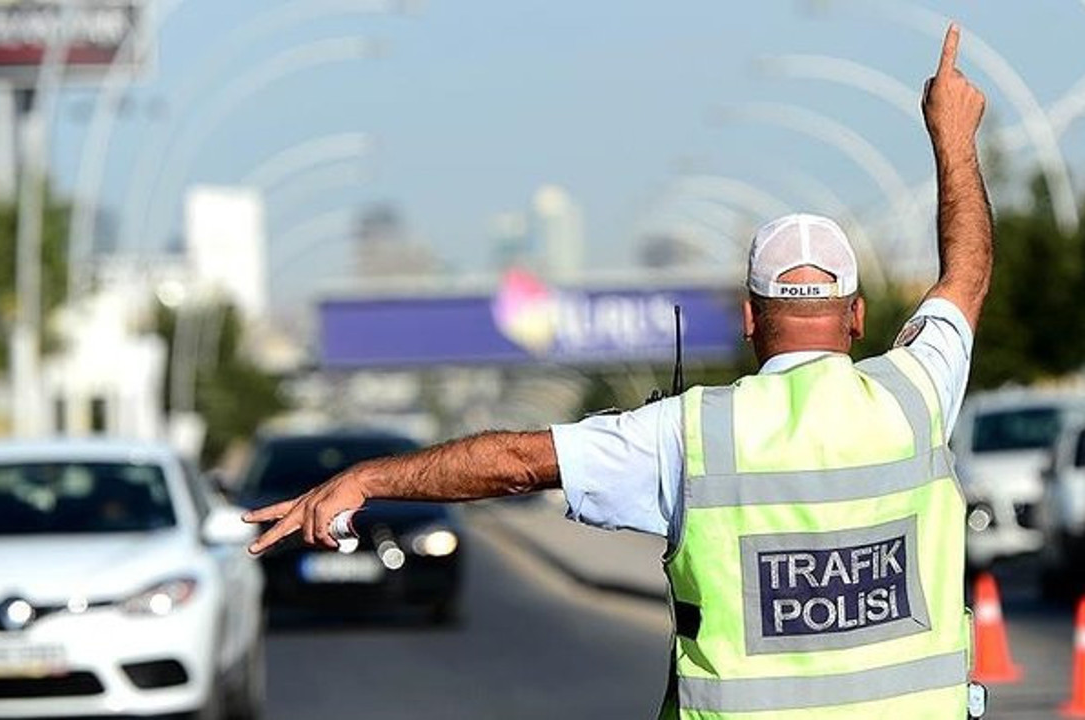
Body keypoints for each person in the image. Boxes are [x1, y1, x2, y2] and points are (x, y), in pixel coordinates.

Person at [246, 22, 989, 719]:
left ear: (748, 318)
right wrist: (953, 137)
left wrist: (368, 479)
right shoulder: (917, 394)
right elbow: (967, 274)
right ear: (856, 316)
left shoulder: (691, 435)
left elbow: (515, 463)